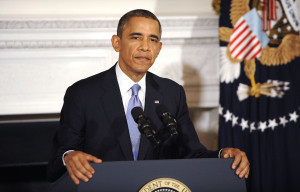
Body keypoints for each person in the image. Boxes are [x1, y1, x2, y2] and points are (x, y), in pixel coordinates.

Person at [47, 9, 250, 185]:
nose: (145, 46)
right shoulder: (82, 93)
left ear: (159, 48)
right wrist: (70, 157)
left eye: (152, 39)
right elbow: (59, 157)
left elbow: (190, 152)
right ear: (116, 43)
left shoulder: (172, 93)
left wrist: (221, 155)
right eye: (136, 37)